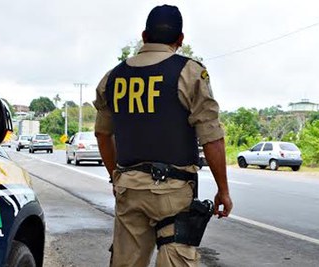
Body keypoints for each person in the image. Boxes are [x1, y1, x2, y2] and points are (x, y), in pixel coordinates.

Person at [93, 5, 233, 267]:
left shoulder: (113, 77)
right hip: (173, 192)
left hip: (129, 188)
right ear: (180, 39)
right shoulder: (189, 72)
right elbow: (211, 137)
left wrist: (116, 177)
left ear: (144, 36)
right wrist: (223, 190)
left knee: (126, 262)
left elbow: (102, 134)